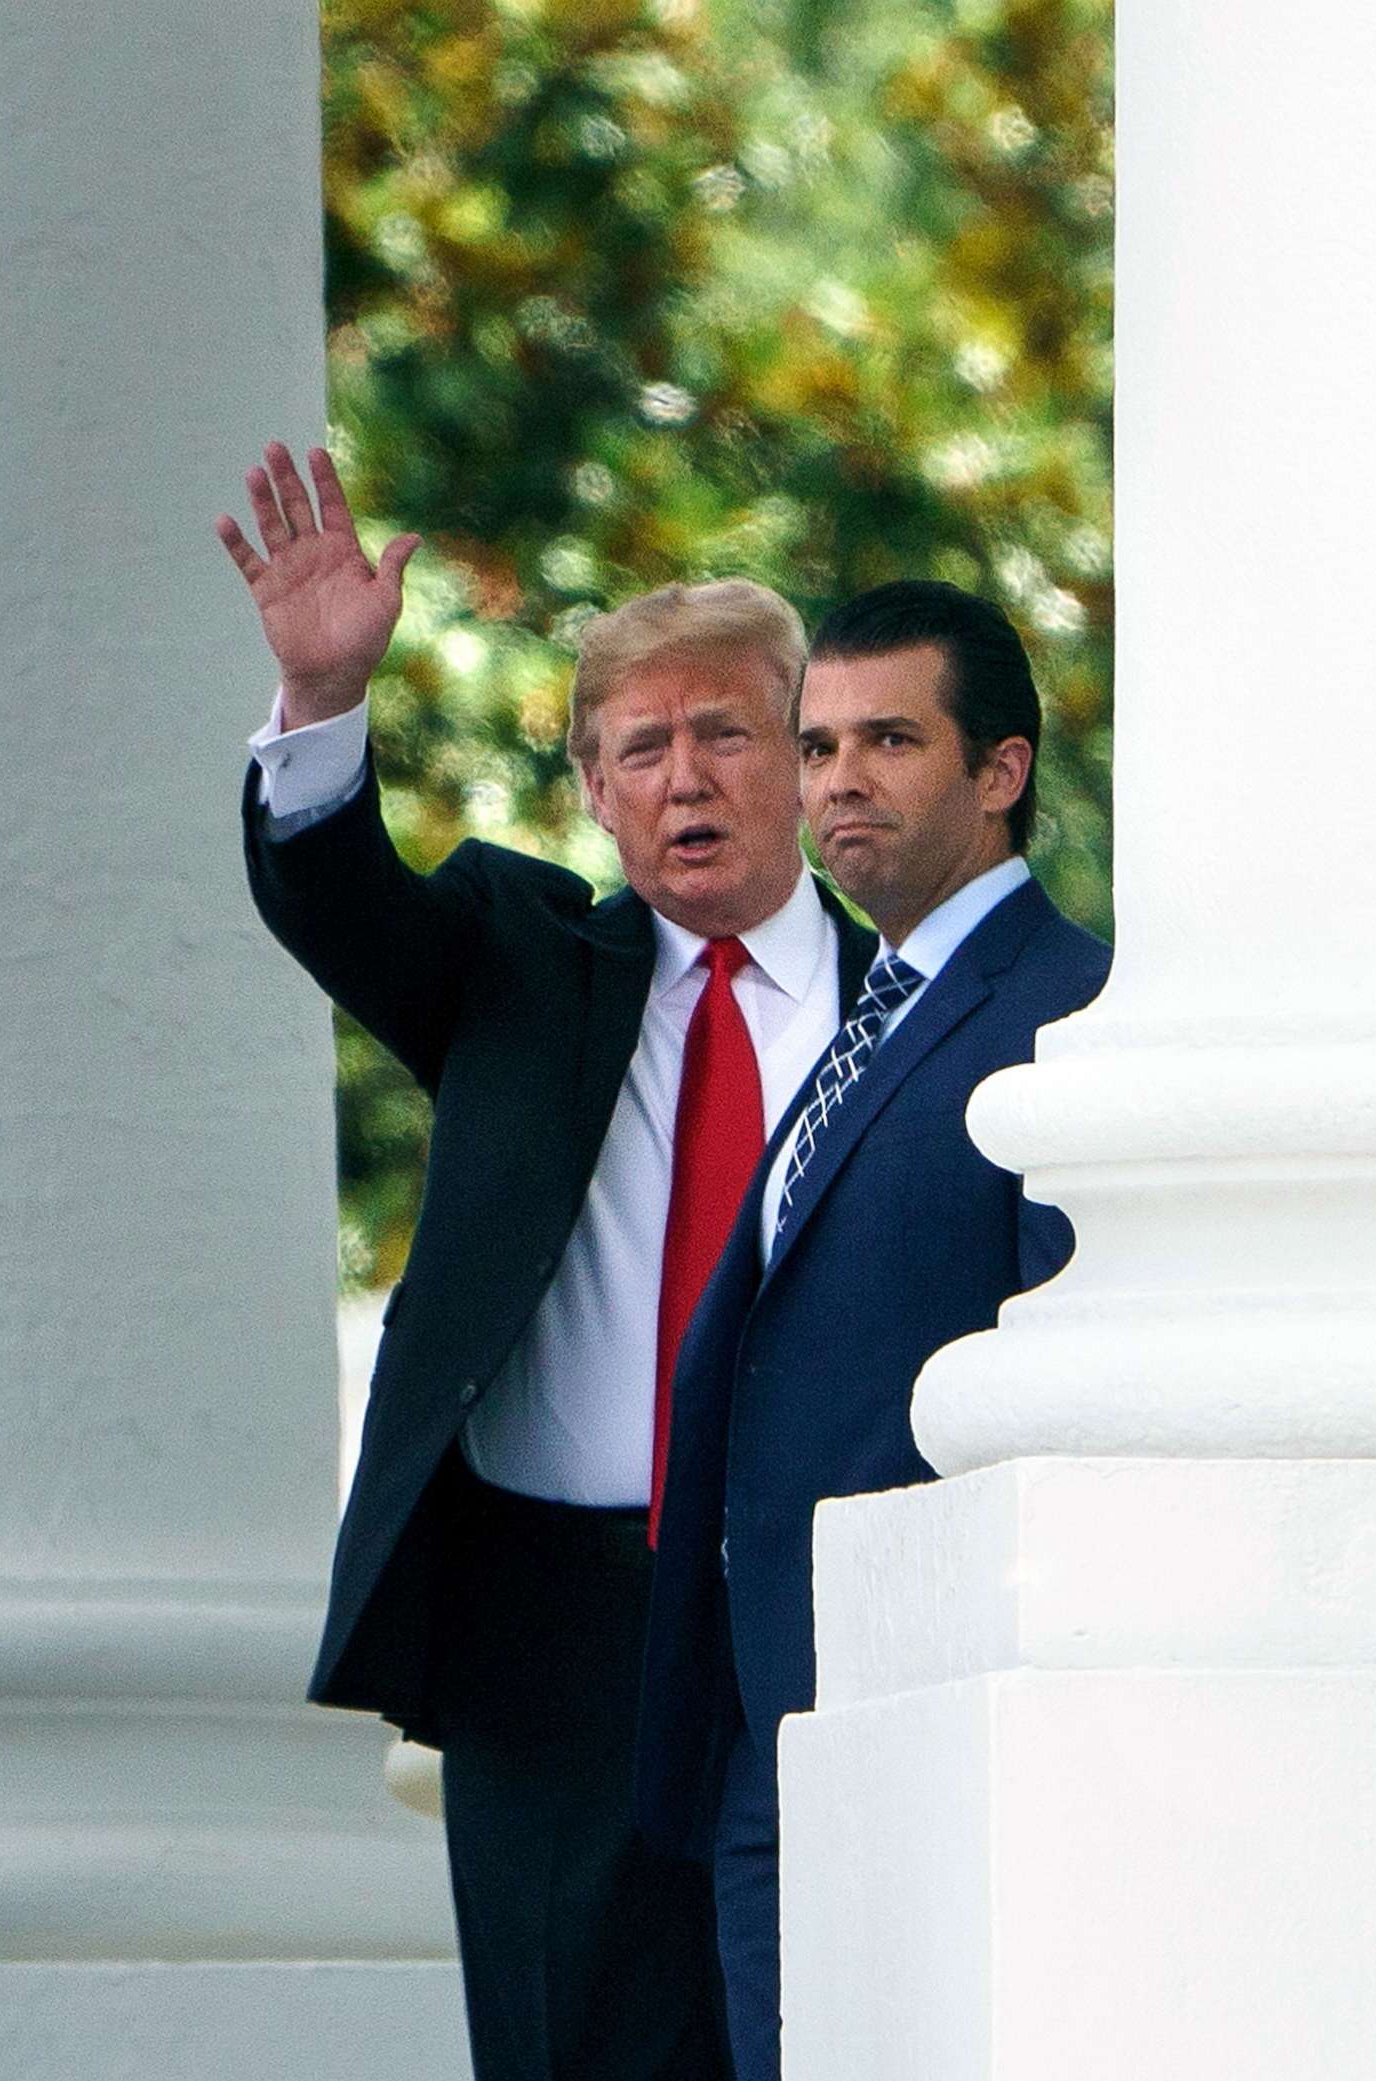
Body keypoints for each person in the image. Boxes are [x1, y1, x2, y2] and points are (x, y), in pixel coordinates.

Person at [216, 442, 877, 2081]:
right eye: (639, 746)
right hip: (552, 1630)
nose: (684, 776)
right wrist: (319, 705)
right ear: (592, 790)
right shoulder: (519, 967)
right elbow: (339, 895)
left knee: (828, 2024)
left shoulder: (914, 1013)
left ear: (799, 758)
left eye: (725, 731)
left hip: (824, 1614)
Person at [633, 580, 1113, 2081]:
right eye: (822, 744)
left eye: (890, 740)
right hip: (770, 1709)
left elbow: (1065, 1371)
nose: (841, 780)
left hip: (930, 1704)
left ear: (1000, 770)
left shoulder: (1073, 1012)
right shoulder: (869, 1013)